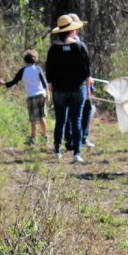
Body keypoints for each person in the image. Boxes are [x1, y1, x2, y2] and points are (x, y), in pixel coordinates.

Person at [46, 14, 92, 163]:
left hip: (60, 90)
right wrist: (88, 89)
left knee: (60, 121)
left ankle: (57, 150)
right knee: (76, 120)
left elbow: (49, 71)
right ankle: (77, 153)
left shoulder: (53, 49)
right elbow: (87, 70)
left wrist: (50, 86)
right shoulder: (80, 46)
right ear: (72, 30)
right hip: (77, 89)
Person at [0, 49, 49, 146]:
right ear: (35, 60)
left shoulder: (23, 71)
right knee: (42, 117)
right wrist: (48, 94)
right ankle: (45, 137)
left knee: (33, 119)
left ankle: (33, 139)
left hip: (31, 96)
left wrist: (3, 84)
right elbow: (44, 82)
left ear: (25, 60)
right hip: (41, 95)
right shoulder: (38, 69)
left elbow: (13, 82)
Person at [66, 13, 96, 149]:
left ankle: (73, 139)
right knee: (84, 110)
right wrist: (88, 81)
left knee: (73, 111)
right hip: (79, 84)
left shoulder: (63, 42)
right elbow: (83, 65)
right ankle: (79, 139)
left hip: (75, 82)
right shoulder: (75, 42)